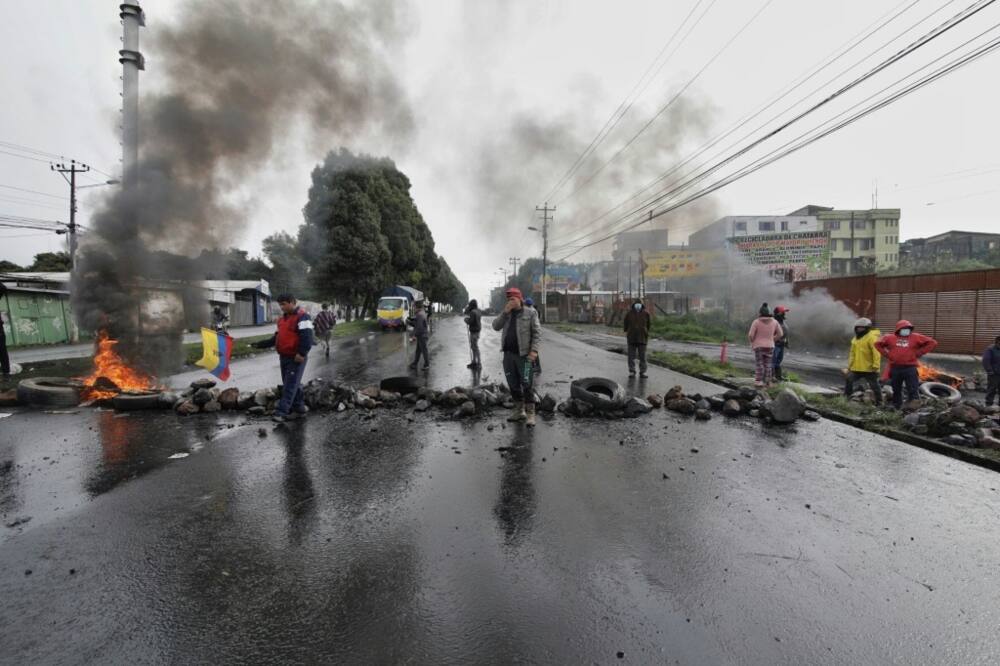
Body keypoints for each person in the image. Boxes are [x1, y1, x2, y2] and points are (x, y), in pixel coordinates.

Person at [253, 294, 314, 423]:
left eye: (284, 304)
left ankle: (281, 412)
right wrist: (260, 344)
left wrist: (301, 354)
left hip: (296, 357)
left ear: (293, 302)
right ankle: (299, 409)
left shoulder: (303, 316)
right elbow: (276, 338)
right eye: (280, 304)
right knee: (291, 383)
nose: (282, 307)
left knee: (289, 385)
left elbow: (307, 337)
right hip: (284, 357)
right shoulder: (282, 320)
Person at [492, 287, 541, 427]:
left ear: (520, 299)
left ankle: (530, 413)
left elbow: (537, 333)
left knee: (527, 384)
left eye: (512, 299)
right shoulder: (506, 314)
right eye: (508, 299)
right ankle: (519, 411)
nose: (510, 302)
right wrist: (504, 312)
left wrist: (534, 351)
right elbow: (495, 326)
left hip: (524, 357)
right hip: (508, 356)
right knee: (513, 385)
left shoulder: (530, 313)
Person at [875, 319, 938, 409]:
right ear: (898, 329)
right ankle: (897, 406)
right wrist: (887, 354)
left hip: (910, 368)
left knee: (912, 388)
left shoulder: (916, 337)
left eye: (908, 328)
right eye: (904, 328)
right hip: (895, 368)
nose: (906, 330)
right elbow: (877, 344)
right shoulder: (890, 338)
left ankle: (913, 406)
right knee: (896, 388)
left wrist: (919, 353)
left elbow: (932, 343)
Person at [844, 317, 882, 406]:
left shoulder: (872, 337)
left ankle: (879, 402)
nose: (859, 329)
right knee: (849, 379)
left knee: (875, 386)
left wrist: (875, 365)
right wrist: (850, 365)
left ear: (867, 328)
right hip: (857, 368)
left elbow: (876, 352)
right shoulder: (855, 339)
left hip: (870, 368)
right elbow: (852, 353)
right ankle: (846, 397)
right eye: (858, 327)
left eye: (862, 328)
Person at [747, 303, 783, 388]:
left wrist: (753, 342)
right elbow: (780, 334)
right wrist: (772, 339)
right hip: (770, 346)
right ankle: (768, 382)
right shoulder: (775, 322)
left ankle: (759, 381)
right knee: (768, 364)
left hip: (758, 346)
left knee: (759, 364)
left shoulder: (756, 322)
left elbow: (750, 335)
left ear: (760, 313)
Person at [623, 298, 651, 378]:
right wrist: (626, 331)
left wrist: (645, 332)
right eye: (636, 304)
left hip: (642, 338)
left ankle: (643, 372)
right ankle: (632, 371)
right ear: (634, 305)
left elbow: (648, 325)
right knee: (631, 356)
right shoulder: (629, 313)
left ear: (642, 305)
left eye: (639, 304)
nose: (638, 305)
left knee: (643, 356)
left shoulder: (646, 314)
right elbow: (625, 323)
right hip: (631, 337)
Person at [409, 302, 430, 370]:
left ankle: (426, 365)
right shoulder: (421, 313)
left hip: (422, 336)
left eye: (414, 307)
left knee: (424, 351)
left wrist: (414, 336)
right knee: (418, 351)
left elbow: (419, 327)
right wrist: (409, 322)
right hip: (422, 335)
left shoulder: (420, 315)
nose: (413, 309)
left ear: (417, 307)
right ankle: (415, 363)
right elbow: (417, 324)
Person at [772, 305, 790, 382]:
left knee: (778, 361)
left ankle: (778, 376)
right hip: (775, 345)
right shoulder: (773, 323)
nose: (784, 314)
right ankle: (771, 377)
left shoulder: (781, 322)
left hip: (781, 344)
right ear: (779, 314)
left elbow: (784, 333)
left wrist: (786, 342)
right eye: (783, 313)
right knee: (773, 361)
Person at [464, 299, 482, 369]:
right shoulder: (478, 311)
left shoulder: (472, 312)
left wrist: (466, 320)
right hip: (477, 331)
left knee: (475, 347)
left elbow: (471, 322)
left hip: (474, 331)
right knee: (474, 347)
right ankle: (474, 361)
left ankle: (478, 363)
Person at [983, 335, 1000, 407]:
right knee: (992, 389)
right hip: (994, 374)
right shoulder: (990, 349)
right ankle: (988, 404)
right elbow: (986, 361)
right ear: (997, 342)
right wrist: (990, 371)